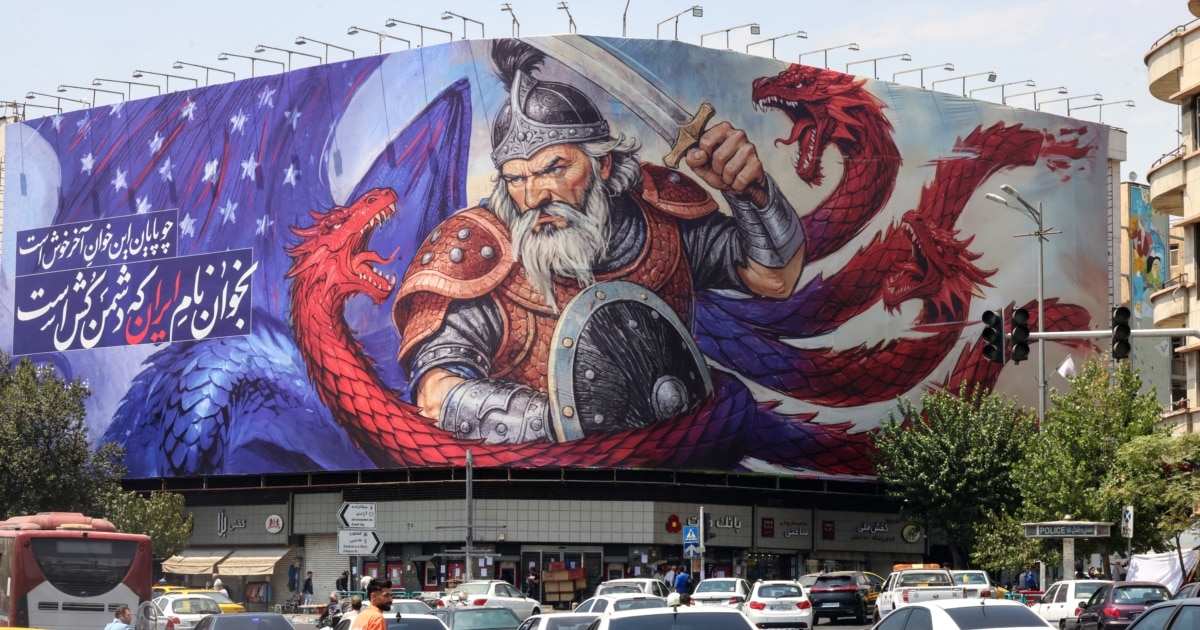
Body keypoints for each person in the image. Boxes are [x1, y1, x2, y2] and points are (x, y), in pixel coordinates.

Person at [394, 39, 805, 444]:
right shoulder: (479, 252)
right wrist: (568, 422)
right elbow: (436, 393)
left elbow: (774, 279)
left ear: (602, 164)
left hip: (686, 452)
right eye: (516, 179)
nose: (534, 197)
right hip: (553, 475)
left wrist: (751, 193)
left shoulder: (660, 222)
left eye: (554, 169)